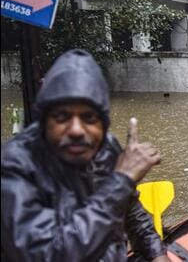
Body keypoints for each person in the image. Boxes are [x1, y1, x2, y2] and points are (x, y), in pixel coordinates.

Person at [1, 50, 169, 261]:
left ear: (103, 124)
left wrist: (156, 252)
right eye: (62, 117)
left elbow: (132, 212)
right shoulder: (14, 164)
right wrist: (122, 181)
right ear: (44, 122)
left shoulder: (107, 147)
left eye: (89, 118)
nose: (77, 130)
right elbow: (44, 254)